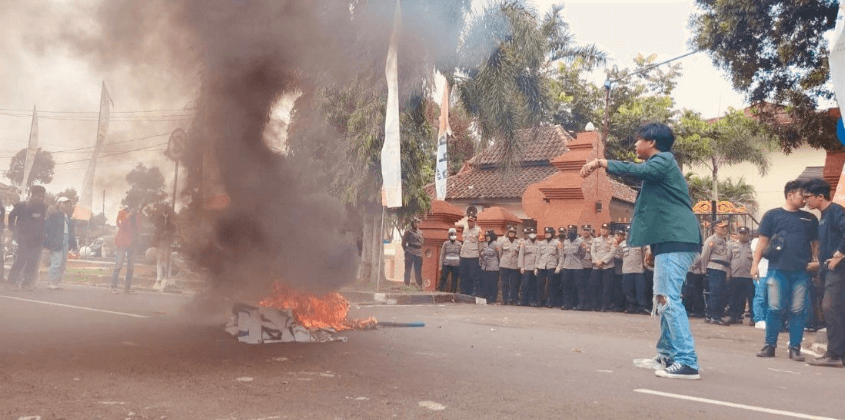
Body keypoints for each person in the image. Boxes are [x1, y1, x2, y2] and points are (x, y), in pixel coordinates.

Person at [582, 122, 702, 380]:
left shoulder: (664, 161)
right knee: (661, 299)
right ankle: (667, 355)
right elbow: (655, 213)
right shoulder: (659, 171)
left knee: (668, 298)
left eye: (638, 140)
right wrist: (652, 246)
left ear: (651, 142)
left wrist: (601, 163)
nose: (635, 145)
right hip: (667, 241)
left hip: (677, 239)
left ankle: (687, 361)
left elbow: (636, 171)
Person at [752, 180, 818, 361]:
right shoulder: (772, 216)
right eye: (801, 195)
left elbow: (815, 245)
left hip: (801, 271)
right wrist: (754, 265)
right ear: (790, 195)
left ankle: (795, 348)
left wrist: (816, 262)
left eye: (806, 196)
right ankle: (769, 346)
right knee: (773, 308)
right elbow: (762, 242)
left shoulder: (810, 219)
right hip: (777, 270)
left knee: (798, 310)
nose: (804, 199)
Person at [802, 178, 845, 367]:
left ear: (820, 196)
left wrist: (839, 254)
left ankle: (834, 354)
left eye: (807, 197)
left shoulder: (835, 211)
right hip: (828, 270)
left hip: (838, 270)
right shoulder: (824, 216)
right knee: (834, 309)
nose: (805, 201)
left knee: (830, 307)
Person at [6, 185, 47, 291]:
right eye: (38, 196)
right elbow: (11, 216)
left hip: (37, 240)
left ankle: (26, 284)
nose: (41, 198)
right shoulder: (22, 205)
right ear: (32, 195)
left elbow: (42, 222)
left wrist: (43, 236)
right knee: (20, 260)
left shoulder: (42, 207)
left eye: (42, 196)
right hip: (23, 238)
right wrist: (12, 228)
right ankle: (11, 282)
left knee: (32, 263)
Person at [701, 219, 732, 326]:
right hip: (714, 268)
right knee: (716, 293)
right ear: (715, 228)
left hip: (723, 269)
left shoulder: (724, 241)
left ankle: (710, 315)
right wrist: (704, 270)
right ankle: (715, 316)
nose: (724, 229)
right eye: (721, 227)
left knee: (720, 293)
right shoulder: (711, 240)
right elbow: (705, 255)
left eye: (725, 227)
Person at [44, 197, 77, 290]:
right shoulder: (54, 215)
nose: (67, 205)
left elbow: (70, 232)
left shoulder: (68, 216)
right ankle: (51, 282)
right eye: (65, 203)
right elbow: (48, 228)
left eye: (68, 203)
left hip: (65, 239)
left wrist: (73, 243)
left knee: (62, 263)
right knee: (56, 262)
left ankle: (56, 282)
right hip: (57, 240)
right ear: (59, 204)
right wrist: (49, 243)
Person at [111, 205, 142, 294]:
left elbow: (139, 229)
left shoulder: (137, 216)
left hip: (133, 243)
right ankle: (113, 286)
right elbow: (119, 224)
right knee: (118, 265)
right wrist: (128, 215)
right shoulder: (122, 212)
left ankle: (127, 287)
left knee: (131, 266)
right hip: (122, 242)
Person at [727, 226, 754, 325]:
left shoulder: (752, 246)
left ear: (748, 234)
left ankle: (753, 318)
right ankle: (734, 316)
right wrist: (728, 273)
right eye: (740, 233)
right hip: (735, 275)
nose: (742, 235)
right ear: (737, 234)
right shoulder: (731, 245)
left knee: (751, 298)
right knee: (734, 298)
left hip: (749, 276)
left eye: (744, 233)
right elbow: (728, 260)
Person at [591, 223, 618, 312]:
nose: (604, 230)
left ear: (609, 231)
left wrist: (602, 261)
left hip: (608, 267)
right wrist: (596, 261)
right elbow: (593, 252)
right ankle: (596, 305)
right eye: (602, 228)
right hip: (597, 266)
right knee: (596, 286)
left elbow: (612, 253)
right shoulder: (595, 240)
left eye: (606, 229)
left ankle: (604, 306)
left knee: (606, 288)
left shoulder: (613, 240)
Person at [621, 229, 648, 314]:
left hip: (638, 270)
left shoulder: (640, 243)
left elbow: (645, 255)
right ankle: (631, 306)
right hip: (627, 270)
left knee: (640, 289)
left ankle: (642, 307)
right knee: (628, 290)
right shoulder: (622, 244)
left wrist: (643, 265)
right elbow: (619, 255)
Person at [558, 225, 584, 310]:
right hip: (567, 266)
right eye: (569, 230)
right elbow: (563, 254)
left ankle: (579, 304)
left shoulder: (580, 241)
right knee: (566, 286)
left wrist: (578, 260)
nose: (571, 232)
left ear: (576, 232)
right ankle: (566, 304)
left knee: (578, 286)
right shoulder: (565, 242)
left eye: (573, 230)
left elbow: (583, 254)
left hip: (577, 266)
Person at [537, 227, 560, 307]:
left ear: (552, 234)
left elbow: (561, 256)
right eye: (546, 233)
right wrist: (536, 267)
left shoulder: (557, 243)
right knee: (540, 284)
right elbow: (538, 255)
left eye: (549, 233)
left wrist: (559, 266)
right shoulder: (541, 243)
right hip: (542, 266)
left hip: (551, 265)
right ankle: (539, 301)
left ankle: (550, 301)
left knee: (551, 285)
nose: (547, 234)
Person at [750, 236, 770, 328]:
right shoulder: (756, 241)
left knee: (769, 298)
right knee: (760, 297)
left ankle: (766, 319)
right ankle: (758, 319)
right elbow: (762, 251)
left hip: (772, 272)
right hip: (761, 272)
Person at [459, 215, 481, 296]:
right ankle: (464, 291)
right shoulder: (465, 230)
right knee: (463, 274)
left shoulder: (479, 231)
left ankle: (473, 292)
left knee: (473, 275)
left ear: (475, 221)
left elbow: (480, 244)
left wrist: (479, 255)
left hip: (473, 256)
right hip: (464, 255)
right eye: (468, 221)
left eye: (471, 221)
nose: (469, 223)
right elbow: (463, 241)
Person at [498, 226, 521, 305]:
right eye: (510, 232)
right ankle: (505, 299)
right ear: (508, 233)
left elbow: (519, 254)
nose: (511, 234)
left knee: (514, 283)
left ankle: (513, 299)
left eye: (513, 233)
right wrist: (502, 261)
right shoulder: (503, 241)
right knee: (505, 283)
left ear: (515, 234)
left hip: (514, 265)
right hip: (504, 264)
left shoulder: (518, 242)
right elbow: (500, 253)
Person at [518, 227, 539, 306]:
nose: (532, 235)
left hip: (534, 268)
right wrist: (521, 267)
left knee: (533, 285)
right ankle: (523, 300)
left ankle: (531, 300)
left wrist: (537, 267)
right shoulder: (524, 243)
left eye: (534, 233)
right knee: (525, 284)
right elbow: (521, 255)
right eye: (531, 234)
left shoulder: (538, 243)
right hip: (526, 267)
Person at [479, 230, 501, 304]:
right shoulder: (484, 244)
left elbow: (499, 255)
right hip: (484, 266)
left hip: (493, 267)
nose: (488, 238)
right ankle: (486, 297)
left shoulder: (496, 245)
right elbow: (480, 252)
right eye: (486, 236)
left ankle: (493, 297)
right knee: (485, 283)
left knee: (493, 283)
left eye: (489, 236)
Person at [402, 217, 424, 288]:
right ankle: (406, 285)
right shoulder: (408, 231)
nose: (416, 224)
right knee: (408, 269)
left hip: (418, 252)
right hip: (410, 251)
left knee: (418, 270)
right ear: (412, 223)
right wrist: (406, 250)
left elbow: (422, 242)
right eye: (415, 222)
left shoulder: (420, 232)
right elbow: (403, 242)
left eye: (417, 222)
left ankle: (419, 285)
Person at [438, 227, 462, 292]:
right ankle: (440, 290)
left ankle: (453, 292)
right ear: (448, 235)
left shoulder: (459, 244)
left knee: (454, 279)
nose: (453, 236)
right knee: (443, 277)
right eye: (451, 234)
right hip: (446, 264)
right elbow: (442, 255)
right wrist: (440, 266)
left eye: (454, 234)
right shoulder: (445, 244)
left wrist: (460, 265)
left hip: (456, 264)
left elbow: (461, 255)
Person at [683, 254, 706, 318]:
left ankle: (698, 310)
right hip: (693, 272)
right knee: (693, 292)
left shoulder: (695, 251)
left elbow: (699, 258)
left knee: (696, 293)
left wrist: (693, 266)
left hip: (694, 273)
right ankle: (694, 310)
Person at [576, 225, 593, 311]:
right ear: (581, 231)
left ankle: (588, 304)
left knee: (589, 286)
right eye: (584, 230)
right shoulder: (578, 241)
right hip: (580, 266)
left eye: (588, 230)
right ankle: (580, 303)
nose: (586, 232)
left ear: (590, 231)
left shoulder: (594, 241)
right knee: (580, 286)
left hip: (590, 266)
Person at [612, 229, 627, 311]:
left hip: (621, 270)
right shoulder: (611, 243)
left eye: (621, 236)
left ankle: (621, 306)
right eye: (617, 235)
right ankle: (615, 305)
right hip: (611, 269)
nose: (619, 237)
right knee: (615, 289)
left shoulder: (623, 245)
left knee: (621, 289)